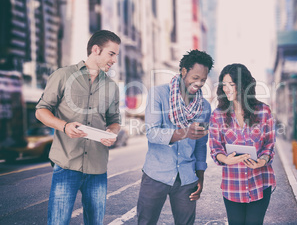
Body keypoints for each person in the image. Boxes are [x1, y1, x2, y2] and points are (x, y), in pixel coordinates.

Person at [36, 30, 121, 224]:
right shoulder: (63, 75)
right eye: (111, 54)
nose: (115, 60)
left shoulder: (112, 87)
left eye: (116, 55)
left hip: (98, 168)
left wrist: (112, 133)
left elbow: (115, 121)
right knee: (58, 222)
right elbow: (41, 110)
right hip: (66, 165)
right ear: (95, 49)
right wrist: (64, 126)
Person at [137, 50, 214, 225]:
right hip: (156, 174)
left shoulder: (204, 107)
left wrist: (200, 176)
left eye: (203, 79)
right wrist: (185, 132)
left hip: (187, 178)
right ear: (183, 71)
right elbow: (152, 133)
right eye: (195, 77)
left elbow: (201, 145)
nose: (199, 83)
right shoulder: (159, 94)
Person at [209, 64, 276, 225]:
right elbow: (215, 147)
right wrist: (225, 160)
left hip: (260, 182)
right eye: (224, 85)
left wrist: (263, 160)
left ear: (243, 85)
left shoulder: (263, 111)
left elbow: (269, 144)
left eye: (231, 84)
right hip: (233, 186)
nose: (227, 89)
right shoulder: (217, 115)